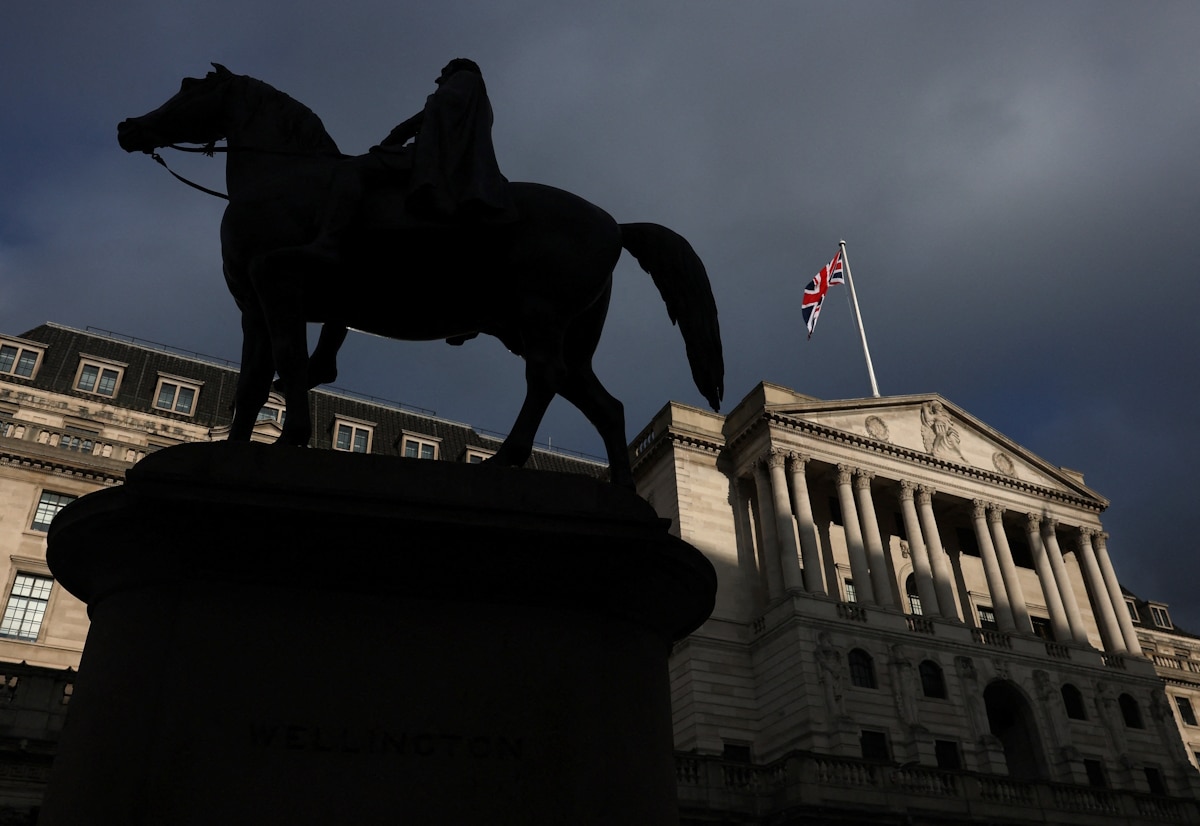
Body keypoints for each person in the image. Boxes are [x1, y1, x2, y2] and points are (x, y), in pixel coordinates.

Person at [304, 58, 512, 265]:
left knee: (350, 169)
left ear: (456, 70)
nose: (438, 79)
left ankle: (328, 242)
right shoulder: (479, 100)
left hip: (433, 156)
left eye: (444, 72)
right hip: (437, 152)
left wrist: (402, 131)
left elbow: (444, 104)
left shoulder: (465, 78)